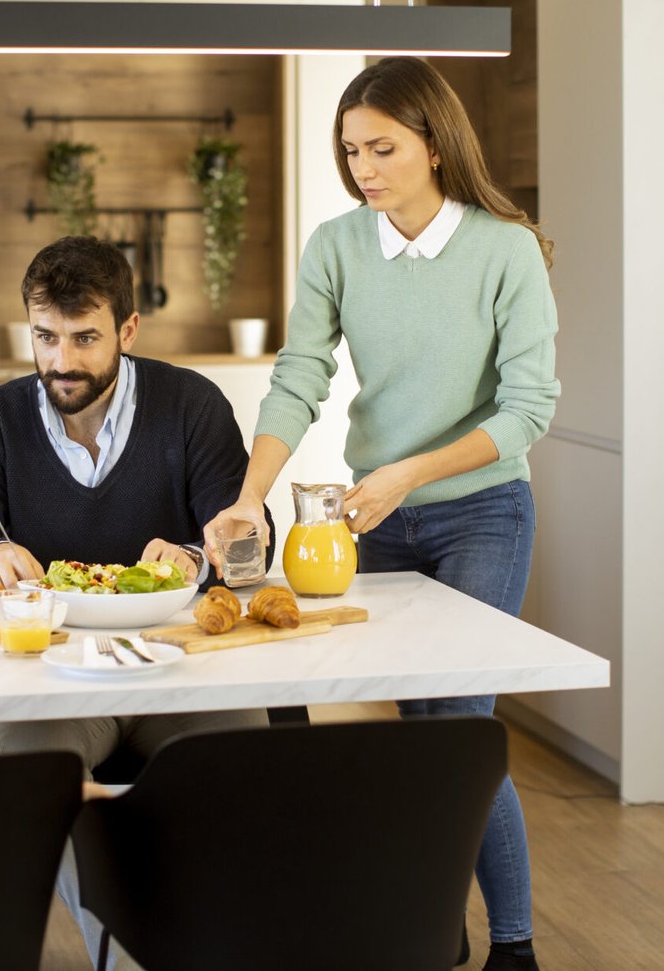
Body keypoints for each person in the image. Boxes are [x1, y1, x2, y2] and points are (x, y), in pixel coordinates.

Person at [203, 56, 559, 971]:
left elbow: (528, 410)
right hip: (381, 521)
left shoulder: (504, 248)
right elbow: (300, 377)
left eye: (383, 147)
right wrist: (249, 500)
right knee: (390, 731)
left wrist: (407, 472)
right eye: (352, 148)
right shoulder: (337, 246)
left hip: (482, 511)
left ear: (435, 144)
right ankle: (429, 933)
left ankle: (513, 949)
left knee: (457, 729)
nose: (364, 166)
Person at [0, 234, 270, 970]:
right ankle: (124, 958)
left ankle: (215, 942)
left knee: (242, 780)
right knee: (37, 792)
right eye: (45, 337)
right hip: (51, 676)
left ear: (128, 330)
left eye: (84, 338)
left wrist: (205, 555)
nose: (61, 362)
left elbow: (244, 546)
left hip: (184, 671)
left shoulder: (191, 406)